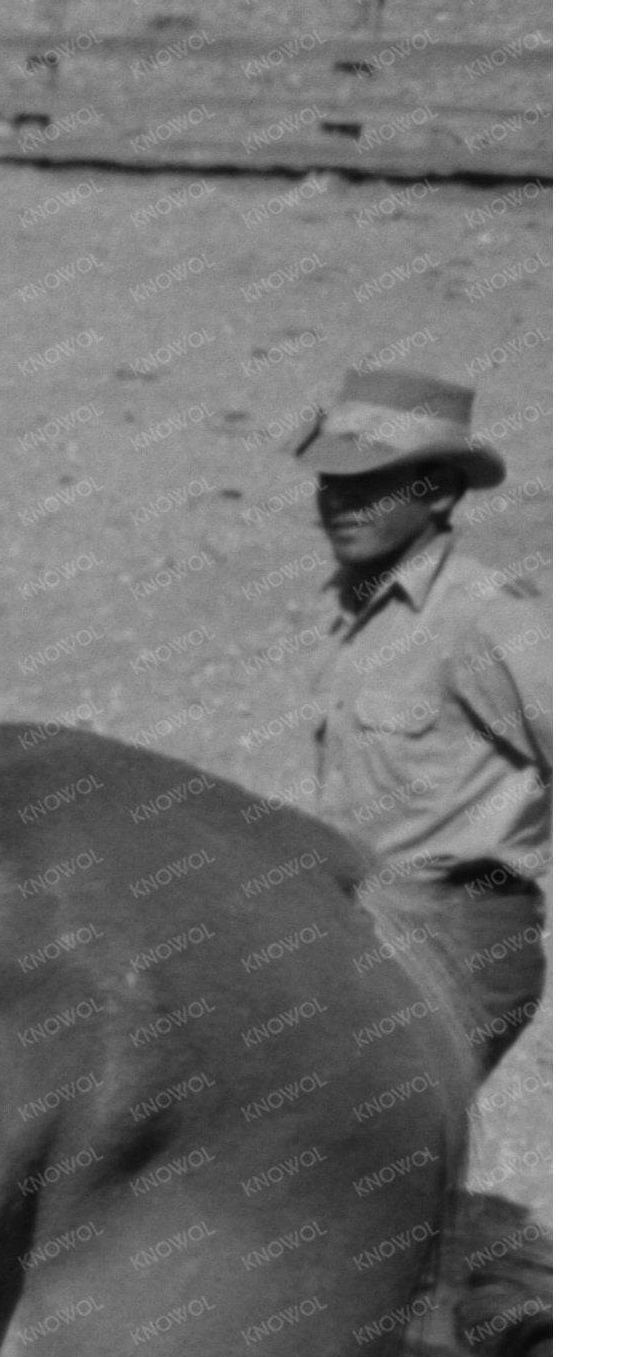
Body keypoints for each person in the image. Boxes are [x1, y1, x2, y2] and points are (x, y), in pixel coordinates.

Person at [292, 368, 551, 1074]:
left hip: (458, 935)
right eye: (329, 481)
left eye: (371, 483)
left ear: (436, 489)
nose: (340, 503)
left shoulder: (484, 613)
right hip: (358, 927)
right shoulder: (349, 610)